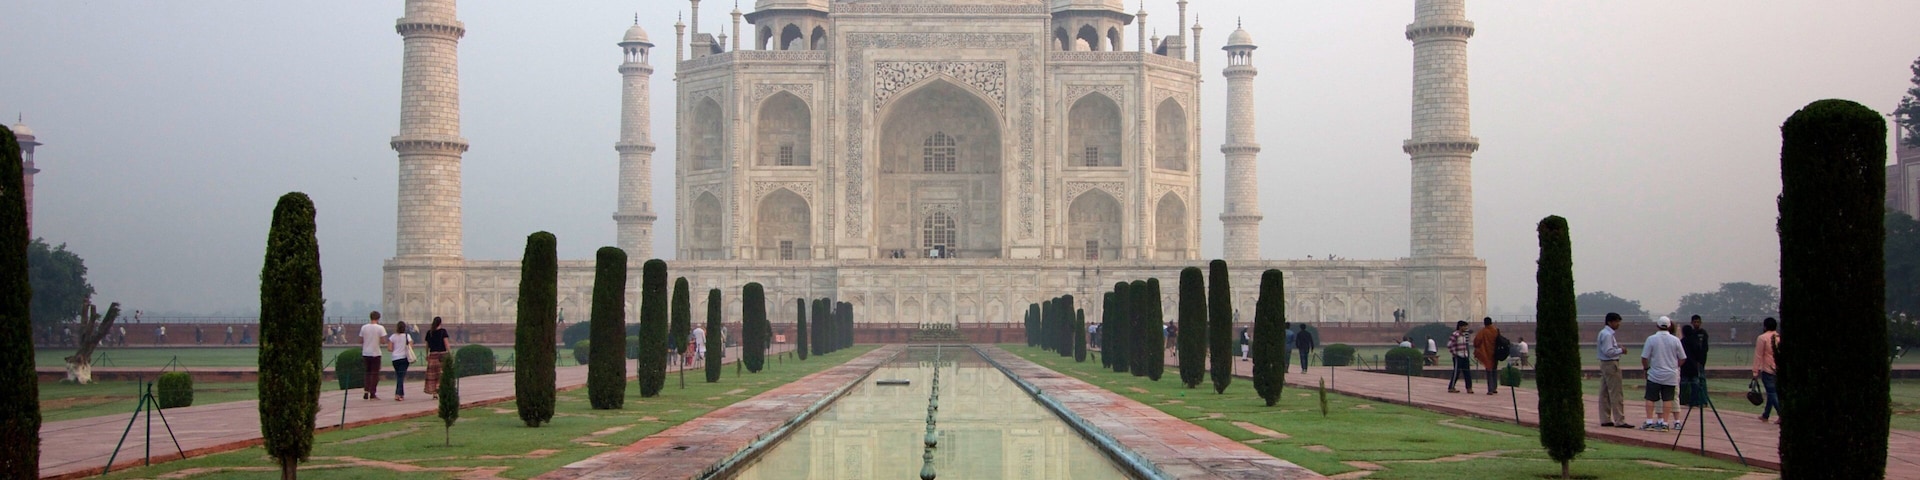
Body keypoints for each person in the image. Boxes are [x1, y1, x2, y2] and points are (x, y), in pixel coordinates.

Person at [1640, 316, 1687, 431]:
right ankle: (1665, 423)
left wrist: (1646, 368)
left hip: (1655, 373)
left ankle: (1649, 421)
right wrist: (1674, 366)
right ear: (1669, 326)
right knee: (1668, 399)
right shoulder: (1675, 340)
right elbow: (1683, 358)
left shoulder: (1651, 339)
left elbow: (1644, 357)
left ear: (1657, 325)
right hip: (1670, 374)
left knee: (1650, 398)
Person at [1597, 313, 1630, 428]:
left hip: (1605, 364)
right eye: (1617, 322)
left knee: (1604, 392)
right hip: (1611, 364)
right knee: (1616, 393)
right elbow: (1609, 351)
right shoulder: (1607, 335)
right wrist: (1621, 350)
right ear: (1610, 322)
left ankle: (1605, 419)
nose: (1618, 324)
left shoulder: (1603, 333)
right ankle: (1619, 420)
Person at [1752, 317, 1782, 424]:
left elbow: (1758, 355)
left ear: (1765, 327)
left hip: (1767, 369)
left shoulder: (1762, 338)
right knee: (1771, 392)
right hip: (1778, 369)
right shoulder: (1778, 337)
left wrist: (1755, 371)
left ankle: (1781, 414)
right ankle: (1766, 414)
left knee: (1771, 392)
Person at [1679, 315, 1710, 407]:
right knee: (1693, 382)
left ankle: (1702, 401)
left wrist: (1701, 361)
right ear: (1692, 322)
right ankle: (1690, 400)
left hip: (1698, 361)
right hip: (1693, 362)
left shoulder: (1703, 333)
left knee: (1700, 381)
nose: (1696, 324)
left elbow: (1704, 349)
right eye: (1695, 322)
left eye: (1698, 322)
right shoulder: (1692, 335)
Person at [359, 312, 388, 400]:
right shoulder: (380, 328)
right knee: (375, 374)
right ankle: (372, 393)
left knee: (367, 373)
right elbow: (383, 341)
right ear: (378, 318)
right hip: (375, 353)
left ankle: (366, 391)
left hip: (366, 353)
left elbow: (360, 340)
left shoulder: (364, 327)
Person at [1472, 317, 1500, 395]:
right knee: (1494, 371)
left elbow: (1476, 342)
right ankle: (1494, 388)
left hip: (1486, 353)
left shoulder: (1483, 332)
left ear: (1484, 323)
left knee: (1489, 371)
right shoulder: (1495, 331)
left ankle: (1490, 389)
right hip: (1495, 354)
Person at [424, 317, 450, 399]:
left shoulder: (429, 332)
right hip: (442, 355)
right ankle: (440, 390)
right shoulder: (443, 331)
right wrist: (449, 353)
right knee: (441, 374)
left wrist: (427, 354)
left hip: (433, 355)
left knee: (433, 376)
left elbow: (427, 346)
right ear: (440, 323)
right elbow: (446, 343)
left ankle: (434, 393)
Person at [389, 321, 415, 401]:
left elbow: (389, 348)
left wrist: (396, 349)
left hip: (395, 358)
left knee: (399, 376)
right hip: (404, 358)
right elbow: (411, 346)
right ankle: (398, 394)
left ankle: (401, 394)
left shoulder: (393, 337)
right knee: (401, 377)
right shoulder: (407, 336)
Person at [1447, 320, 1474, 393]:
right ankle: (1451, 387)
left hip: (1465, 355)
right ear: (1460, 327)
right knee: (1456, 372)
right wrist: (1454, 353)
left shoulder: (1465, 335)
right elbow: (1449, 345)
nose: (1466, 328)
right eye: (1464, 326)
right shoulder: (1455, 334)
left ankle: (1469, 388)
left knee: (1467, 372)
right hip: (1458, 356)